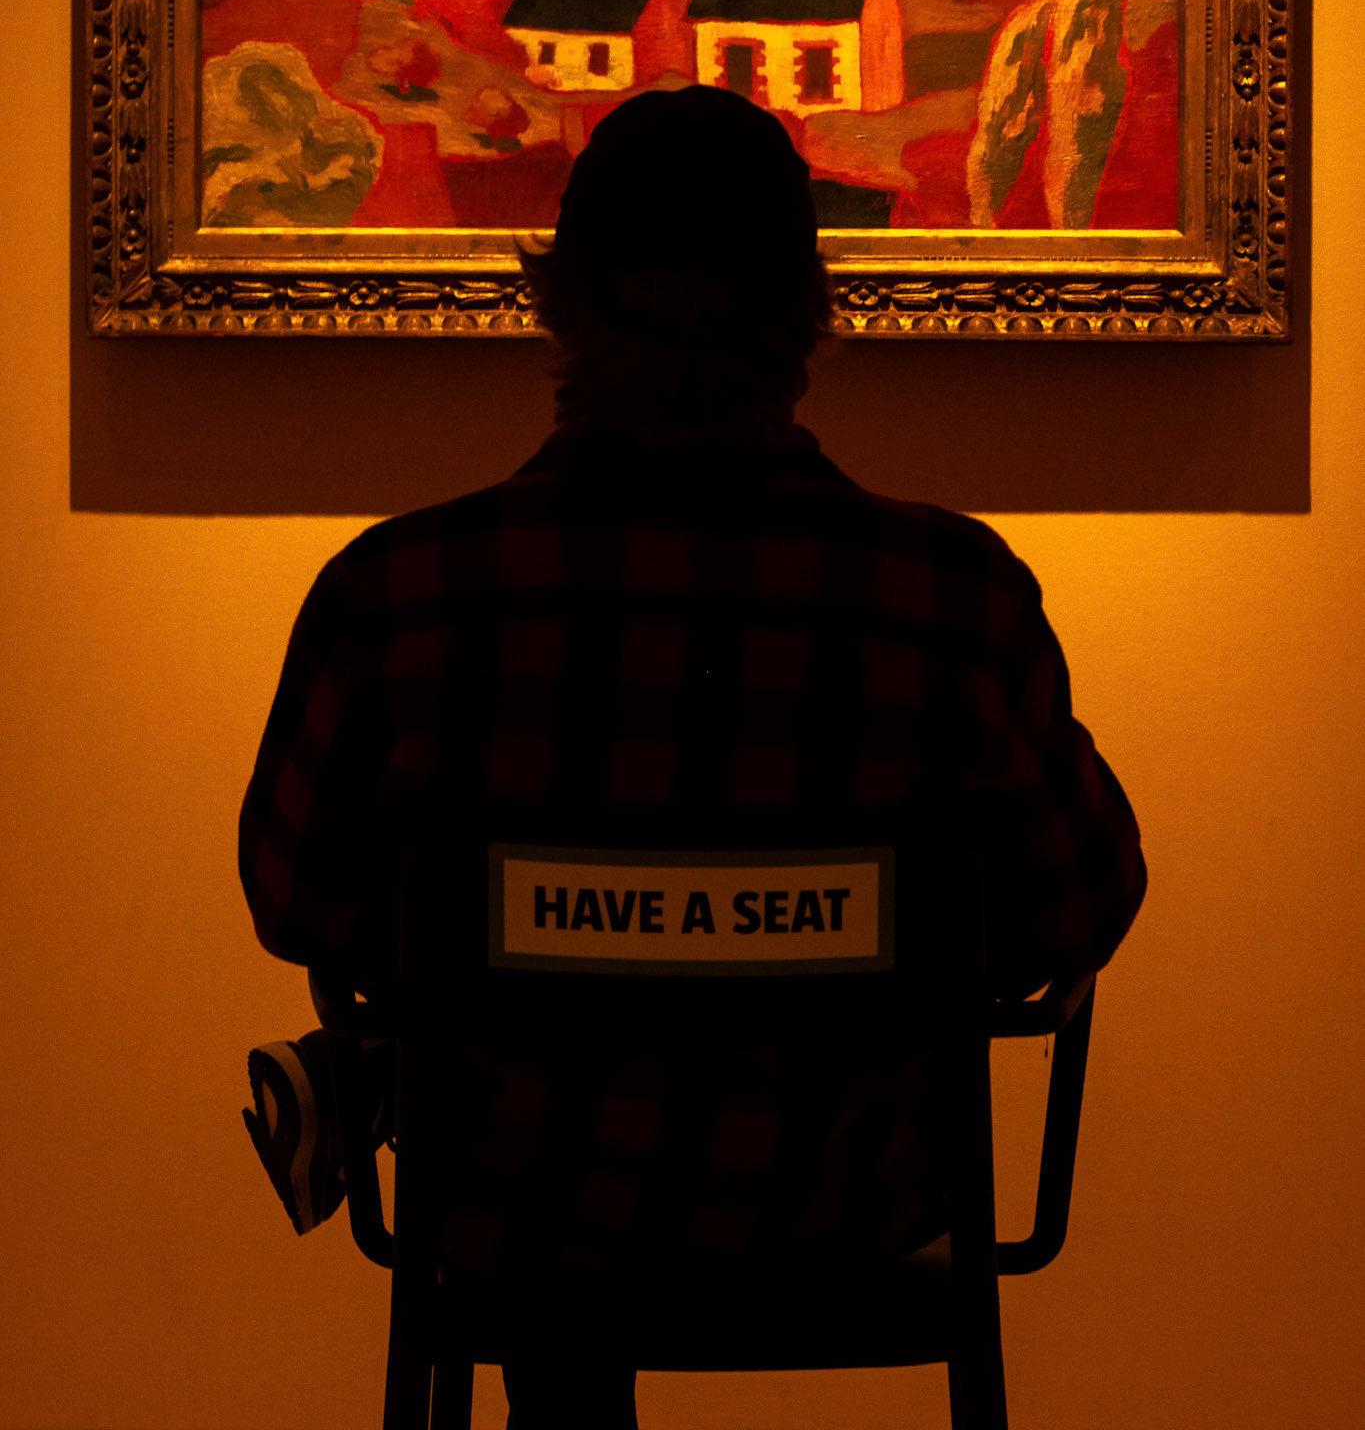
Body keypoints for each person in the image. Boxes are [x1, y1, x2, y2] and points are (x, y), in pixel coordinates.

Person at [239, 85, 1146, 1430]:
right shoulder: (952, 600)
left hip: (510, 1212)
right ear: (808, 315)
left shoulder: (400, 596)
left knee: (524, 1144)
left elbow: (300, 906)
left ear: (559, 305)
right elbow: (1077, 910)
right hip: (849, 1210)